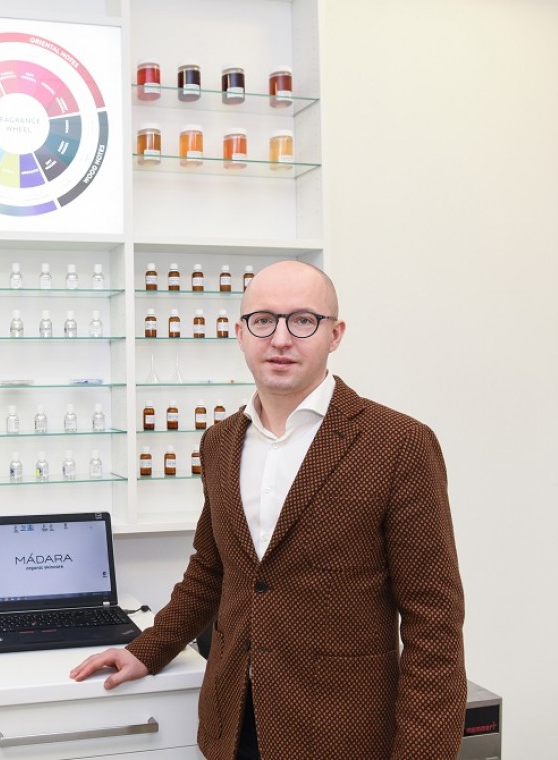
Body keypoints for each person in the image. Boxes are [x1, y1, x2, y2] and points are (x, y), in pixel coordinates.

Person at [71, 260, 466, 760]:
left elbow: (435, 620)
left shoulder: (398, 443)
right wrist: (147, 650)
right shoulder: (220, 442)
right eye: (263, 320)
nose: (280, 339)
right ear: (240, 333)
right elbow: (212, 570)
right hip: (235, 721)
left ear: (335, 334)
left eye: (303, 320)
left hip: (343, 732)